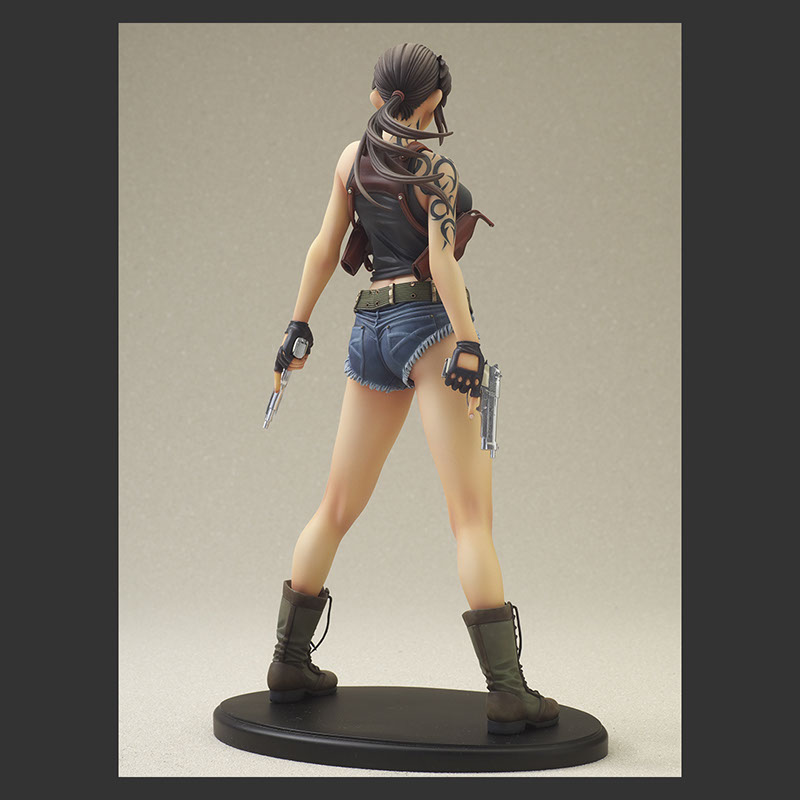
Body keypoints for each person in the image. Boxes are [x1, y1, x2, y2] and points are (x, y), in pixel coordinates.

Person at [267, 43, 558, 735]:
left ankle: (287, 661)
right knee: (470, 519)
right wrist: (470, 343)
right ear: (431, 105)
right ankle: (507, 691)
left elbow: (323, 246)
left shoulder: (351, 159)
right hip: (429, 326)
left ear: (378, 96)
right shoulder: (435, 169)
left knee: (335, 506)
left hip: (368, 325)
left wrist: (297, 326)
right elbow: (443, 264)